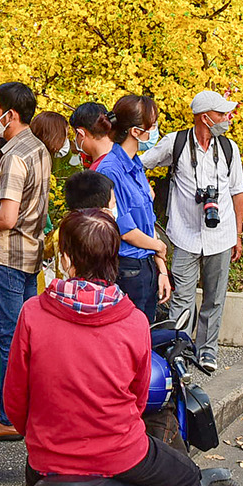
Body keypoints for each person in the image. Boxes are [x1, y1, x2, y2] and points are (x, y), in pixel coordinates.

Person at [0, 210, 243, 486]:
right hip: (119, 453)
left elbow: (15, 398)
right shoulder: (132, 321)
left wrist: (35, 432)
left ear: (67, 258)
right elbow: (141, 392)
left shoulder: (34, 313)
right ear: (112, 258)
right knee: (183, 480)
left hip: (50, 450)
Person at [0, 81, 54, 443]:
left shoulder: (14, 155)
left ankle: (8, 417)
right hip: (30, 253)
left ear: (10, 114)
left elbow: (6, 217)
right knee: (23, 339)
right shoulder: (39, 149)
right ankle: (25, 411)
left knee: (9, 340)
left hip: (7, 255)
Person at [143, 91, 243, 374]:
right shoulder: (175, 143)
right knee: (182, 298)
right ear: (205, 117)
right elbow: (140, 164)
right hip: (185, 233)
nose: (226, 119)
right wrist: (142, 190)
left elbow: (238, 192)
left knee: (214, 297)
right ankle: (180, 349)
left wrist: (238, 233)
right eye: (221, 114)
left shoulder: (228, 149)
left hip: (221, 235)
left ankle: (207, 351)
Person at [75, 99, 172, 323]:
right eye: (152, 125)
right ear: (136, 131)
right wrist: (158, 246)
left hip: (147, 265)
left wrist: (161, 269)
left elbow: (147, 220)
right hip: (127, 270)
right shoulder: (110, 169)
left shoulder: (135, 164)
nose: (155, 131)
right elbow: (124, 228)